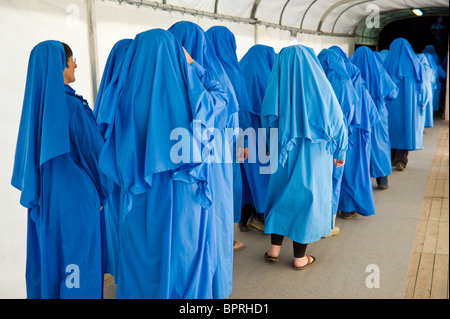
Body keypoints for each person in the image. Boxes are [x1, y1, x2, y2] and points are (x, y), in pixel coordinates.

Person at [97, 28, 228, 298]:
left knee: (141, 263)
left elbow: (103, 132)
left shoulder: (121, 98)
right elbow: (222, 97)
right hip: (183, 197)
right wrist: (193, 64)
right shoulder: (192, 97)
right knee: (183, 260)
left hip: (137, 197)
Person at [11, 41, 112, 298]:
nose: (76, 64)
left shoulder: (35, 112)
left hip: (44, 203)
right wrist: (102, 194)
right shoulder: (73, 107)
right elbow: (98, 157)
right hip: (76, 204)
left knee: (52, 262)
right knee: (78, 265)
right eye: (72, 59)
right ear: (61, 64)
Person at [168, 21, 239, 299]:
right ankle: (216, 285)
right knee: (216, 218)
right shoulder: (215, 77)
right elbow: (230, 121)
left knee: (187, 228)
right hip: (217, 161)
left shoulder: (165, 81)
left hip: (183, 165)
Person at [261, 45, 347, 270]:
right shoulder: (321, 85)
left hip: (282, 153)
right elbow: (337, 120)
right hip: (314, 154)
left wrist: (268, 146)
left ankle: (274, 250)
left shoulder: (276, 84)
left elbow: (266, 116)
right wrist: (341, 151)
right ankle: (300, 258)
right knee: (307, 199)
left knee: (280, 196)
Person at [206, 25, 250, 251]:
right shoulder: (230, 72)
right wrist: (243, 143)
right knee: (227, 187)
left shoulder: (196, 67)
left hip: (193, 144)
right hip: (226, 143)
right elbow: (238, 111)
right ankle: (227, 238)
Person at [94, 38, 132, 282]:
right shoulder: (139, 93)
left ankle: (122, 278)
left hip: (111, 178)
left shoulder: (107, 94)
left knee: (117, 226)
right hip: (130, 178)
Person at [238, 44, 277, 233]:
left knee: (245, 178)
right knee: (263, 176)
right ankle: (260, 216)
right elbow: (268, 111)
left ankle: (243, 219)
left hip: (240, 134)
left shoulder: (238, 70)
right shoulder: (265, 77)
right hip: (260, 132)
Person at [318, 48, 357, 234]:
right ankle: (329, 225)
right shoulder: (344, 81)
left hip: (317, 141)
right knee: (334, 179)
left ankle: (315, 222)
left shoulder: (314, 80)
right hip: (338, 138)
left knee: (318, 180)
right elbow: (349, 110)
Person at [351, 46, 398, 189]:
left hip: (358, 116)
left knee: (360, 147)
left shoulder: (351, 70)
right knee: (380, 145)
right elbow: (393, 93)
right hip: (378, 114)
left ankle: (360, 181)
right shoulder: (380, 71)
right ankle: (382, 178)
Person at [384, 38, 425, 171]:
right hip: (409, 105)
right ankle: (402, 159)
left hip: (391, 103)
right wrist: (421, 102)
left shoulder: (388, 62)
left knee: (391, 128)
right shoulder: (415, 63)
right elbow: (422, 84)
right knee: (405, 128)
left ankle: (390, 157)